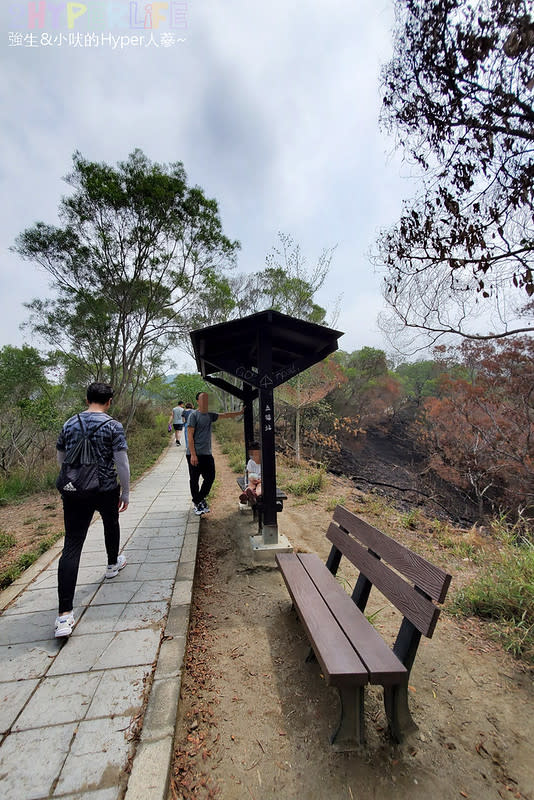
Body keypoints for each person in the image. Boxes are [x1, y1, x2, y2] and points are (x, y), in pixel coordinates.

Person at [54, 382, 130, 638]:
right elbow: (121, 462)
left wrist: (71, 481)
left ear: (87, 398)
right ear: (109, 401)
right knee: (111, 522)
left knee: (72, 546)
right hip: (106, 488)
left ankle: (64, 616)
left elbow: (62, 460)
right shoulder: (113, 426)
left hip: (75, 491)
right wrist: (126, 491)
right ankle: (111, 564)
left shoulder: (69, 423)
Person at [187, 391, 243, 515]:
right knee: (194, 479)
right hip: (194, 454)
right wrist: (193, 454)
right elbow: (189, 435)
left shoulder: (210, 415)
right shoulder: (193, 415)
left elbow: (225, 415)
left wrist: (239, 413)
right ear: (198, 401)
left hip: (207, 453)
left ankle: (198, 499)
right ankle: (198, 504)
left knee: (210, 477)